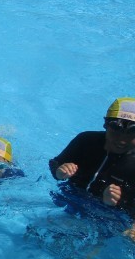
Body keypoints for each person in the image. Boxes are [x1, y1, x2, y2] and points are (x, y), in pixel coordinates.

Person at [49, 97, 135, 240]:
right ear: (105, 125)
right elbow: (55, 163)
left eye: (132, 132)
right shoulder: (86, 141)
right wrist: (59, 171)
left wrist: (119, 202)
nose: (122, 139)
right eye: (116, 129)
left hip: (107, 216)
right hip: (69, 198)